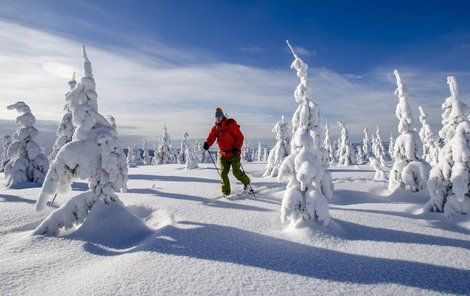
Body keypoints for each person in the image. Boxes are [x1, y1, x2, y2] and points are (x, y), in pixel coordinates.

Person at [203, 107, 251, 196]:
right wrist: (207, 143)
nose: (218, 118)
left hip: (234, 153)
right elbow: (211, 137)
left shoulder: (230, 125)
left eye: (219, 116)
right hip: (223, 155)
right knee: (223, 173)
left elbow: (240, 137)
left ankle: (247, 183)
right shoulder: (216, 128)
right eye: (216, 116)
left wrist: (237, 148)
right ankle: (226, 192)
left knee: (236, 172)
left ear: (222, 116)